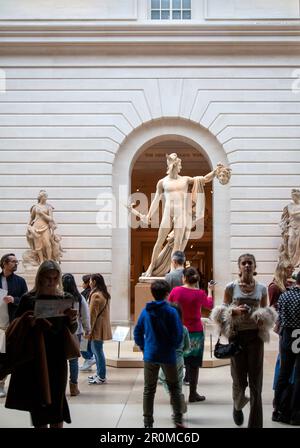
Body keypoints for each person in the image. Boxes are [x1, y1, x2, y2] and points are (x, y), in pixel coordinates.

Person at [4, 260, 78, 428]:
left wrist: (72, 319)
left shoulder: (66, 297)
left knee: (57, 399)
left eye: (54, 278)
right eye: (47, 278)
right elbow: (16, 325)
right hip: (35, 356)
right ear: (40, 278)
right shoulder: (28, 299)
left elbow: (71, 329)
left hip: (57, 356)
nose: (51, 282)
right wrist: (29, 321)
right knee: (38, 402)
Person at [131, 154, 229, 277]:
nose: (179, 167)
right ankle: (151, 267)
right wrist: (149, 215)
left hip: (181, 214)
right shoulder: (162, 182)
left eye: (178, 165)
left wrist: (215, 172)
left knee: (177, 243)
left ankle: (173, 269)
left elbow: (203, 179)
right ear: (172, 165)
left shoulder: (185, 179)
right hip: (168, 213)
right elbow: (156, 200)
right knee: (159, 241)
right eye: (177, 165)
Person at [211, 253, 277, 428]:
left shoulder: (262, 288)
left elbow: (266, 310)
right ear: (239, 267)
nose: (247, 266)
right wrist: (233, 312)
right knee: (239, 380)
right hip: (237, 337)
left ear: (255, 267)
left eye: (250, 263)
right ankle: (238, 404)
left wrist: (262, 318)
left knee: (256, 384)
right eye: (244, 263)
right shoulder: (231, 287)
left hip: (255, 337)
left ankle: (255, 424)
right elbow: (222, 310)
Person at [134, 279, 184, 428]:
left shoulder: (146, 311)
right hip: (168, 355)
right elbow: (178, 333)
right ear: (167, 294)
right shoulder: (171, 311)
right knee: (174, 387)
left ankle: (148, 422)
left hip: (150, 355)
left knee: (149, 389)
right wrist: (173, 346)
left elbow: (137, 331)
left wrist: (144, 347)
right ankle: (178, 418)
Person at [169, 267, 214, 402]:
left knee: (177, 362)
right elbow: (210, 305)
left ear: (183, 278)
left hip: (178, 329)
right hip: (195, 332)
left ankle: (175, 394)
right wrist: (210, 290)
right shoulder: (200, 293)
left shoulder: (176, 291)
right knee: (193, 364)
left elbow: (169, 305)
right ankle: (193, 394)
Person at [273, 271, 300, 425]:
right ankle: (296, 412)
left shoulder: (284, 296)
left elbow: (280, 318)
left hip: (287, 335)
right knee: (299, 375)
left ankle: (278, 410)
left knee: (284, 372)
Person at [0, 253, 28, 398]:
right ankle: (1, 384)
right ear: (4, 263)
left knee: (16, 355)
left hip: (14, 323)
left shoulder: (20, 281)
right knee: (1, 355)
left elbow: (26, 300)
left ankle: (19, 387)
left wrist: (14, 299)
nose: (16, 263)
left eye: (17, 261)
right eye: (13, 261)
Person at [158, 302, 190, 413]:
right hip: (179, 359)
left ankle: (174, 396)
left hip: (166, 359)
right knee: (178, 381)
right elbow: (187, 346)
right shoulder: (184, 328)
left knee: (163, 378)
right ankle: (179, 395)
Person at [62, 273, 91, 396]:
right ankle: (73, 387)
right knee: (73, 360)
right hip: (75, 331)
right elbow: (85, 315)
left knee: (61, 361)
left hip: (61, 331)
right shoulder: (79, 297)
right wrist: (87, 329)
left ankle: (60, 387)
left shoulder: (60, 296)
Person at [24, 189, 63, 266]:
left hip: (45, 227)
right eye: (44, 196)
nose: (46, 197)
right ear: (41, 197)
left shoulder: (49, 207)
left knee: (47, 244)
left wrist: (42, 214)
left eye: (46, 196)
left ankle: (49, 261)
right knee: (38, 245)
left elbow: (50, 218)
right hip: (36, 228)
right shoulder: (35, 207)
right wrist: (28, 226)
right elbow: (31, 218)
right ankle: (41, 261)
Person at [87, 274, 112, 385]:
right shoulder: (103, 294)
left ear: (95, 282)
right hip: (100, 326)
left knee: (97, 351)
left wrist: (88, 330)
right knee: (97, 350)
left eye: (91, 281)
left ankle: (101, 376)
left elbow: (92, 315)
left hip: (96, 328)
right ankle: (99, 373)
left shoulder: (96, 295)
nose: (89, 283)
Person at [79, 274, 96, 372]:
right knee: (86, 343)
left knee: (83, 343)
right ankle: (88, 359)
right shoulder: (91, 292)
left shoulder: (85, 294)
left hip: (85, 322)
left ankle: (89, 358)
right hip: (89, 321)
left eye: (84, 282)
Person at [280, 188, 300, 268]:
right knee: (291, 244)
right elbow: (292, 213)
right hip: (292, 226)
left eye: (294, 196)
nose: (292, 198)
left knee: (299, 246)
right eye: (292, 196)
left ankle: (297, 264)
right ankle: (291, 264)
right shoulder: (290, 205)